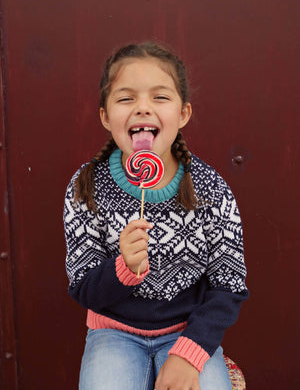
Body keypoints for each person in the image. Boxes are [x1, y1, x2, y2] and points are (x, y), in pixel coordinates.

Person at [63, 41, 248, 390]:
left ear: (183, 114)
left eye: (160, 97)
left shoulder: (210, 189)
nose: (143, 108)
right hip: (113, 333)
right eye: (126, 98)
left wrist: (190, 354)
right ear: (105, 115)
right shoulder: (86, 187)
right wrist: (123, 269)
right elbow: (82, 288)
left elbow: (229, 286)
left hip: (187, 331)